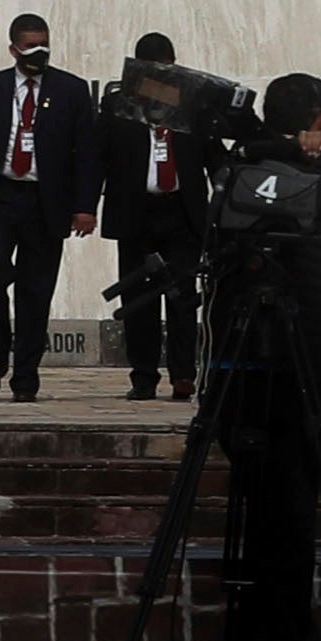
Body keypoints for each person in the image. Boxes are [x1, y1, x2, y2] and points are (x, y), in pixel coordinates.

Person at [213, 70, 321, 641]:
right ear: (301, 127)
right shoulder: (256, 183)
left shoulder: (309, 190)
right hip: (259, 382)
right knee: (276, 536)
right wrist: (278, 156)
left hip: (297, 379)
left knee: (291, 534)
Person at [0, 11, 96, 400]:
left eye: (44, 44)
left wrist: (85, 206)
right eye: (31, 45)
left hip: (46, 203)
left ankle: (25, 376)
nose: (38, 51)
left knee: (35, 291)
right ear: (13, 48)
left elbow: (86, 155)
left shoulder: (71, 90)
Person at [92, 31, 212, 400]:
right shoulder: (118, 106)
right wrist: (83, 207)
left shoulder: (192, 107)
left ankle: (183, 375)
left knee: (182, 298)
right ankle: (143, 376)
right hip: (135, 212)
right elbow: (99, 158)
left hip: (181, 212)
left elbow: (213, 157)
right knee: (138, 299)